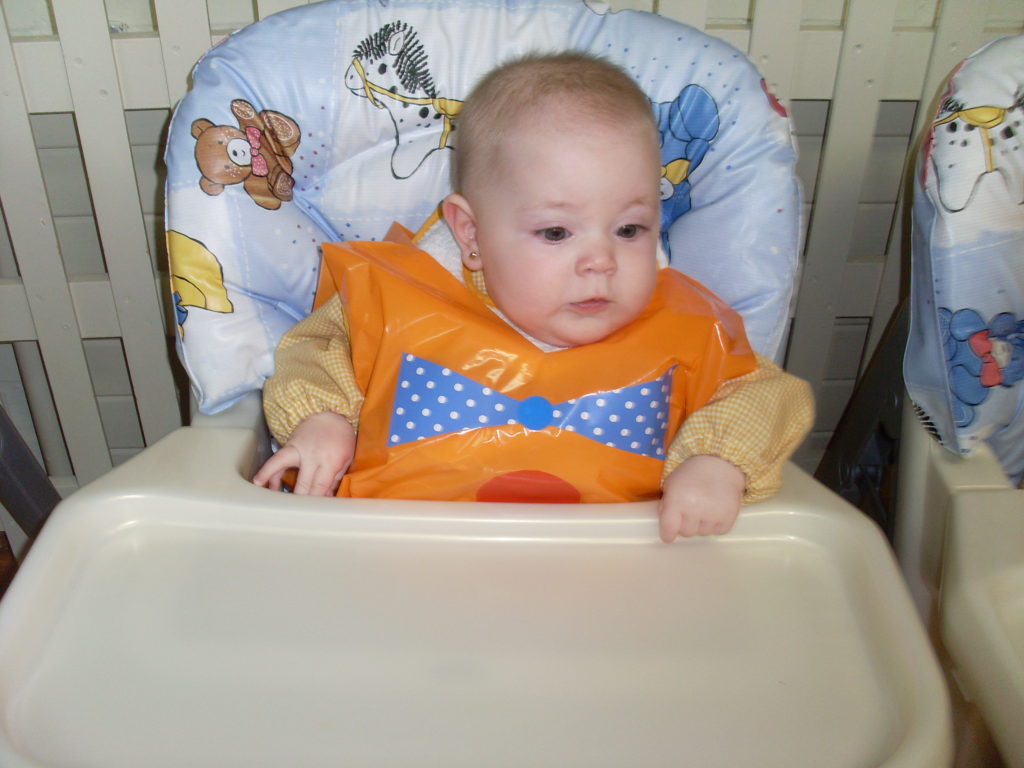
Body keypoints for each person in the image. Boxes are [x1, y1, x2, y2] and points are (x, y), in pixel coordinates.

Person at [253, 52, 813, 541]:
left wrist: (718, 462)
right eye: (556, 232)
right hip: (406, 561)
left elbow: (765, 394)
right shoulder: (389, 305)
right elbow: (316, 352)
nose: (601, 260)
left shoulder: (687, 329)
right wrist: (323, 421)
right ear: (471, 234)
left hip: (613, 576)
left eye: (629, 229)